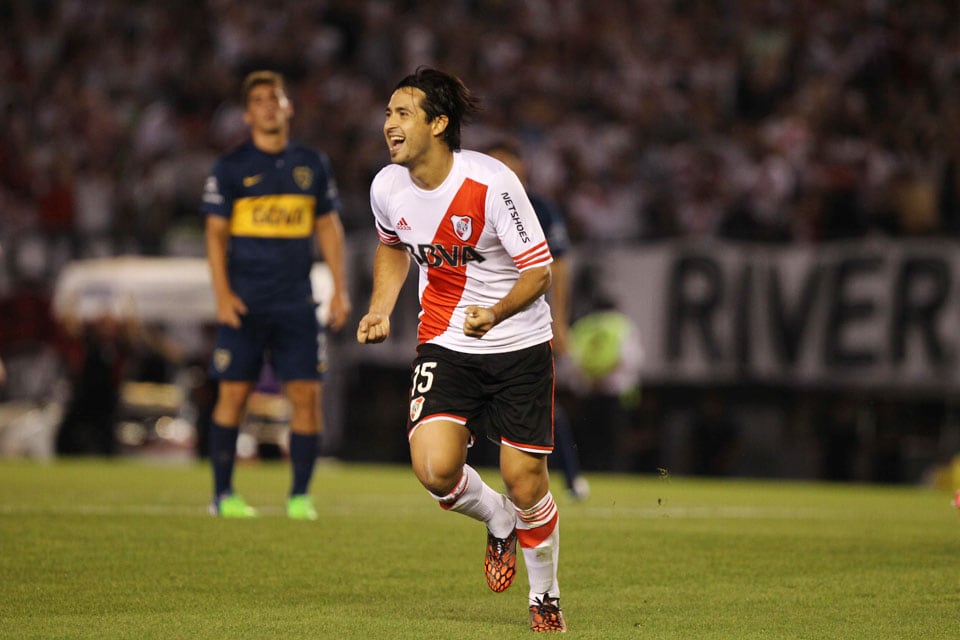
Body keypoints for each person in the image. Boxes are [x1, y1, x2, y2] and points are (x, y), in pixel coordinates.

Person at [356, 67, 566, 633]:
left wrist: (496, 313)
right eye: (388, 113)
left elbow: (539, 272)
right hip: (446, 343)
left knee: (525, 481)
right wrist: (380, 307)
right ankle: (497, 517)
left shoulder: (493, 183)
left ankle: (543, 594)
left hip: (518, 345)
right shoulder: (387, 187)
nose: (389, 125)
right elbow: (392, 246)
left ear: (439, 123)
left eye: (403, 114)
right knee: (434, 468)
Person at [201, 70, 350, 520]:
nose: (268, 105)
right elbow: (214, 237)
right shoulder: (230, 167)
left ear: (288, 107)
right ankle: (223, 495)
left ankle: (300, 497)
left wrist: (340, 290)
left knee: (306, 396)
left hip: (296, 302)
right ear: (247, 115)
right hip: (245, 302)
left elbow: (328, 227)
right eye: (260, 100)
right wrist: (223, 295)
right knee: (233, 396)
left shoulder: (312, 164)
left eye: (275, 98)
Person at [487, 140, 590, 500]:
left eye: (509, 165)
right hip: (479, 320)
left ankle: (569, 476)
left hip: (526, 321)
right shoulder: (469, 203)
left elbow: (557, 266)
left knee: (540, 403)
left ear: (523, 169)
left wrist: (559, 321)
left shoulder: (540, 208)